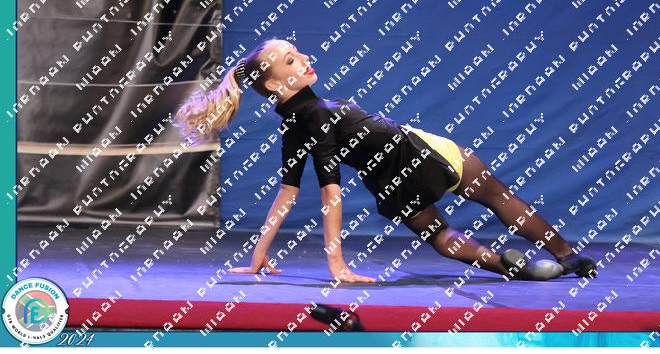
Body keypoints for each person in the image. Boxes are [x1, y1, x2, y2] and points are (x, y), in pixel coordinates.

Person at [174, 38, 598, 283]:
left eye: (297, 52)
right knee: (497, 197)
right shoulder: (316, 114)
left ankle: (510, 268)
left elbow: (287, 194)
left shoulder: (294, 124)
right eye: (291, 60)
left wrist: (258, 257)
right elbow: (330, 194)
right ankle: (566, 255)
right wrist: (337, 264)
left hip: (389, 182)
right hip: (423, 153)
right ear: (273, 84)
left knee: (441, 236)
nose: (304, 59)